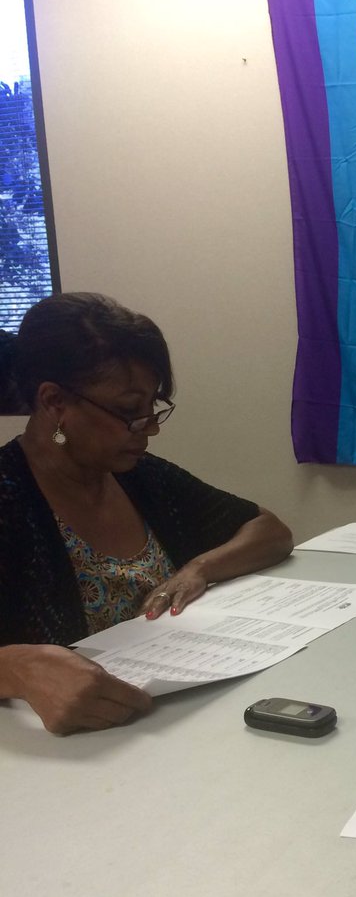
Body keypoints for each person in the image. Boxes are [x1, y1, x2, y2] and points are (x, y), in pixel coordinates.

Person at [0, 292, 294, 737]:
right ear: (55, 402)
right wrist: (17, 668)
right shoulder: (8, 498)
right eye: (127, 411)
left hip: (170, 726)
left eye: (153, 407)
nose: (150, 428)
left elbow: (269, 530)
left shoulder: (138, 477)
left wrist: (201, 567)